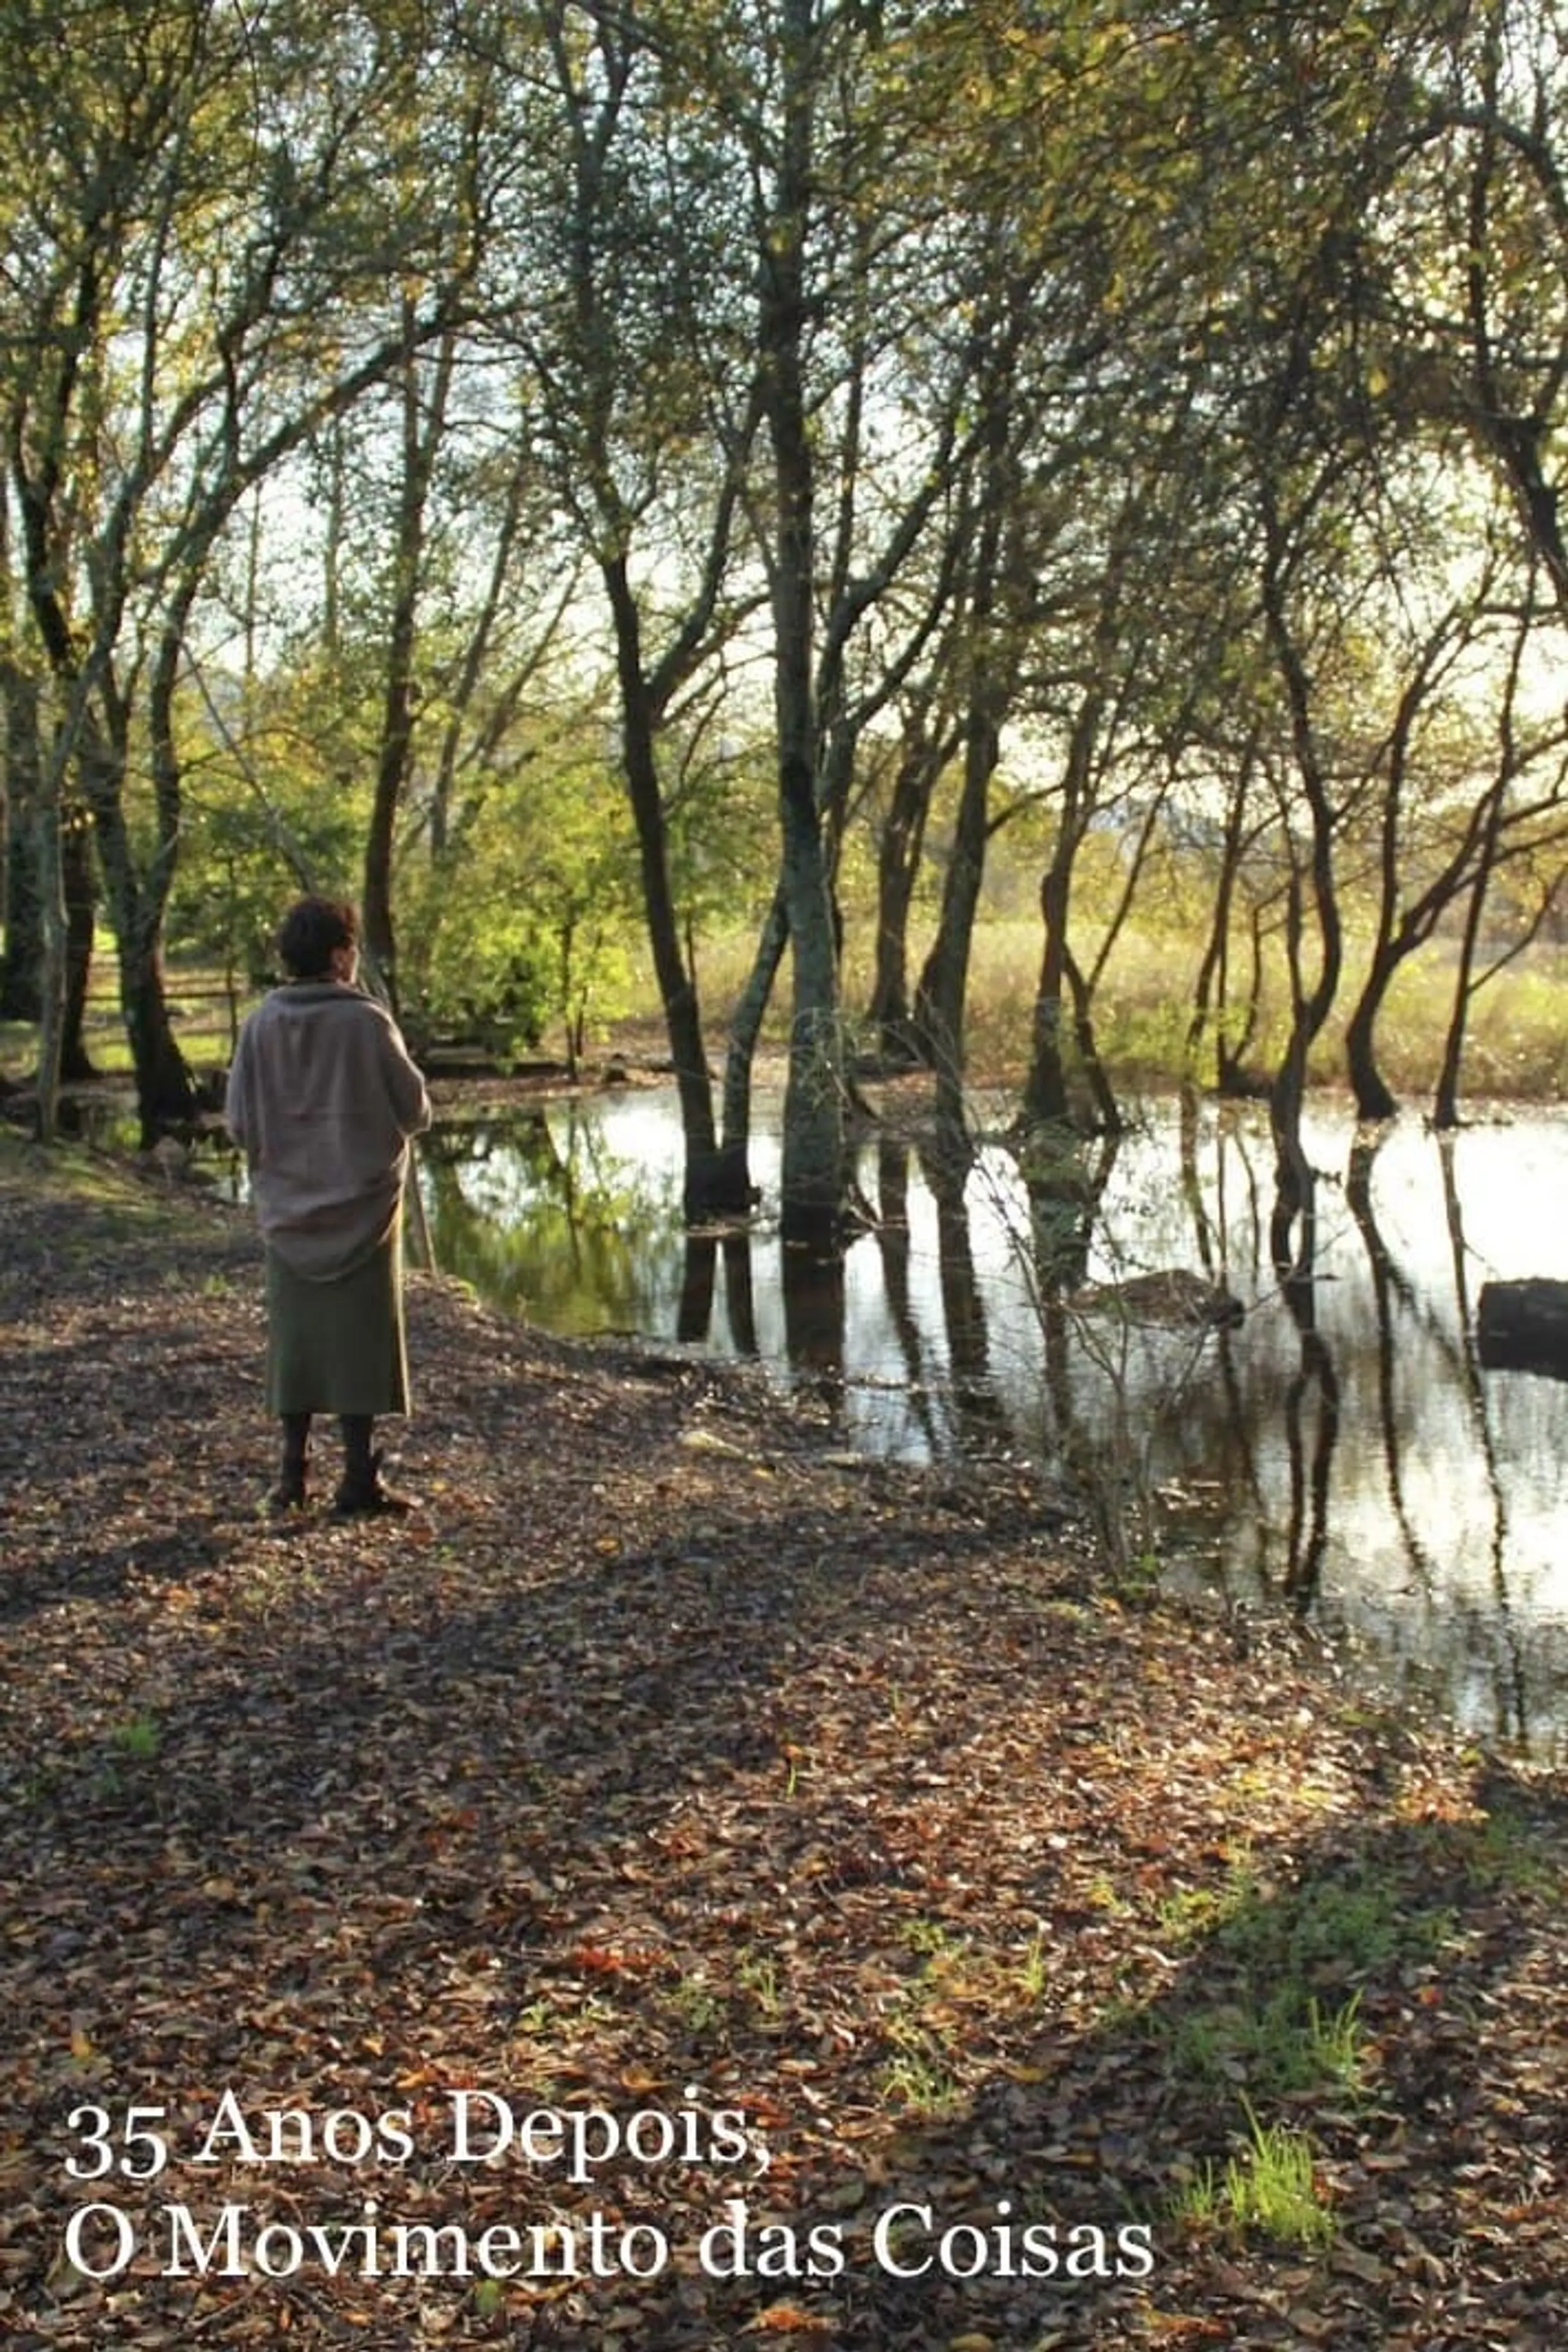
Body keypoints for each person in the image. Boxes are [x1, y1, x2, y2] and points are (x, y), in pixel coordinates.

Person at [225, 894, 432, 1517]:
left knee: (297, 1344)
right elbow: (416, 1110)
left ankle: (291, 1477)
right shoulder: (366, 1022)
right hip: (365, 1210)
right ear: (342, 955)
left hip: (288, 1210)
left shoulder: (260, 1024)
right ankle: (357, 1482)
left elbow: (237, 1123)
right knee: (361, 1342)